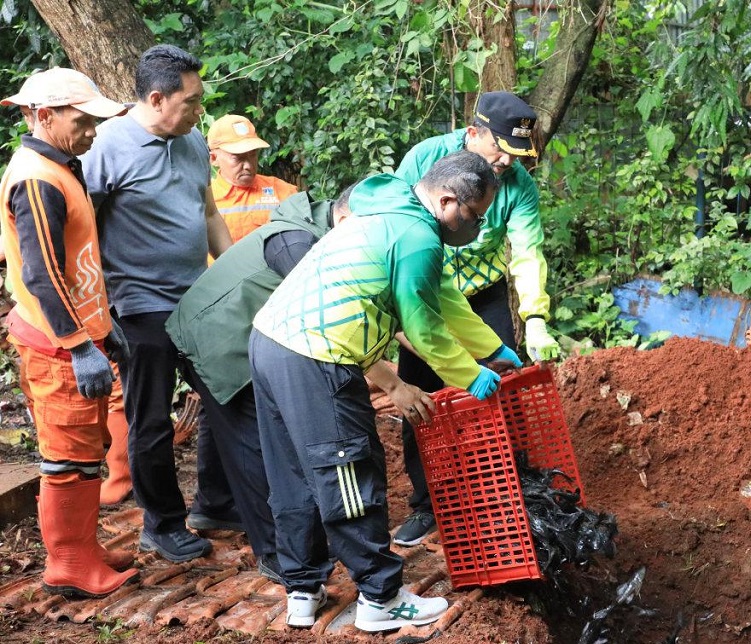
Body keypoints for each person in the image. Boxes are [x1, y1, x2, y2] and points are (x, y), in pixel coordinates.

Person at [249, 150, 521, 630]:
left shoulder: (392, 208)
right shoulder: (418, 236)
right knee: (350, 474)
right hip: (320, 354)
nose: (476, 229)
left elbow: (443, 296)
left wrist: (492, 346)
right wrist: (470, 375)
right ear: (446, 199)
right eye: (474, 217)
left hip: (272, 340)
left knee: (293, 472)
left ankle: (302, 587)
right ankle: (381, 598)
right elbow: (424, 326)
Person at [81, 44, 235, 564]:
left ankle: (216, 502)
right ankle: (162, 525)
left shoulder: (190, 141)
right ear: (156, 98)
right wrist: (98, 307)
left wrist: (233, 277)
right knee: (151, 419)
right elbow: (82, 228)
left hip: (196, 298)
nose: (200, 110)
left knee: (229, 395)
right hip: (137, 303)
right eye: (191, 101)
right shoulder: (105, 145)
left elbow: (210, 212)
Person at [391, 91, 561, 546]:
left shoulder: (518, 183)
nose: (506, 162)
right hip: (424, 289)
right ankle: (427, 504)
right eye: (499, 149)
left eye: (517, 153)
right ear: (472, 134)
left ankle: (499, 497)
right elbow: (397, 225)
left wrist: (536, 316)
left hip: (481, 296)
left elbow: (526, 251)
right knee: (423, 394)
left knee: (498, 390)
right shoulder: (426, 159)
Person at [165, 188, 352, 583]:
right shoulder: (298, 243)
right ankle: (277, 552)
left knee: (229, 429)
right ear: (349, 216)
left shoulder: (316, 228)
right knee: (259, 444)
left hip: (232, 332)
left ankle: (215, 505)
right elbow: (330, 314)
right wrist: (393, 379)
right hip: (217, 340)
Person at [0, 67, 139, 597]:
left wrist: (106, 326)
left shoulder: (60, 165)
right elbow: (42, 272)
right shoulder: (37, 177)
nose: (92, 132)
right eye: (82, 121)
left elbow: (77, 259)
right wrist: (80, 343)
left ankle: (82, 545)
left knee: (83, 449)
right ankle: (68, 562)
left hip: (77, 332)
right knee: (68, 454)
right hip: (56, 343)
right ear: (45, 116)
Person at [207, 113, 298, 242]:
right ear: (213, 159)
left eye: (253, 155)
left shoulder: (282, 191)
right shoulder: (205, 199)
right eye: (237, 157)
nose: (248, 165)